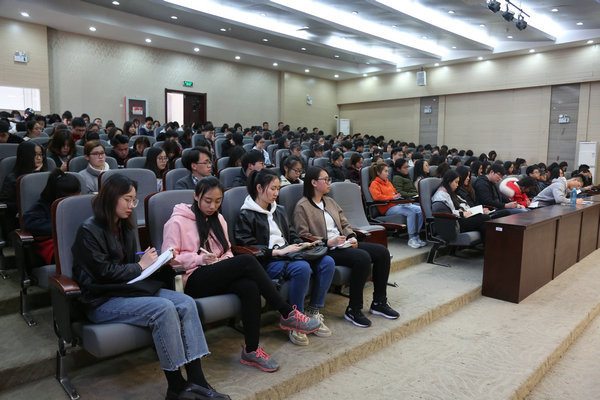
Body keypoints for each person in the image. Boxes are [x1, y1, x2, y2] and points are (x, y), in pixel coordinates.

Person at [71, 174, 229, 400]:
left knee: (186, 303)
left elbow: (129, 266)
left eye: (134, 200)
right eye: (127, 199)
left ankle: (197, 380)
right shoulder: (88, 230)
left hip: (128, 289)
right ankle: (176, 386)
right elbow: (102, 273)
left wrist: (152, 262)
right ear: (111, 198)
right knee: (164, 308)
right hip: (101, 298)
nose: (131, 206)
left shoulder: (124, 226)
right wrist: (139, 266)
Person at [162, 177, 320, 371]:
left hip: (216, 272)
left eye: (218, 201)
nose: (212, 206)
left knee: (249, 286)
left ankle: (251, 350)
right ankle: (286, 312)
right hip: (193, 278)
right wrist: (198, 259)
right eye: (208, 201)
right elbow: (169, 259)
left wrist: (224, 261)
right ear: (196, 196)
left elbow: (227, 250)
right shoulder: (177, 221)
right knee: (246, 260)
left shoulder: (219, 219)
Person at [234, 169, 335, 346]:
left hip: (290, 254)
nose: (276, 193)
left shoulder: (279, 210)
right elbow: (247, 246)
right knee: (302, 268)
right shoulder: (246, 214)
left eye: (278, 189)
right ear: (259, 188)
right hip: (268, 260)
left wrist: (301, 244)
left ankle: (312, 311)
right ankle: (295, 319)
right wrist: (277, 251)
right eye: (272, 188)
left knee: (327, 262)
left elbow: (292, 234)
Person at [294, 166, 399, 328]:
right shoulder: (303, 206)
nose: (329, 183)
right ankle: (353, 309)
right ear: (314, 183)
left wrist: (351, 236)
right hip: (325, 249)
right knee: (362, 258)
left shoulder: (330, 202)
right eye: (326, 179)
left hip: (342, 244)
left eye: (329, 179)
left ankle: (379, 302)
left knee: (382, 252)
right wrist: (327, 242)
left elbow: (344, 224)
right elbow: (303, 235)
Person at [23, 169, 80, 263]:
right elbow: (29, 223)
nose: (75, 199)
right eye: (71, 196)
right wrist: (61, 226)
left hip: (76, 240)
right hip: (53, 245)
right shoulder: (42, 206)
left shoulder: (80, 203)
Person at [369, 162, 425, 248]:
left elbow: (395, 193)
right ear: (378, 173)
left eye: (388, 171)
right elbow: (377, 197)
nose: (388, 174)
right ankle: (411, 238)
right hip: (387, 208)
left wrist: (399, 196)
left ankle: (417, 236)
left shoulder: (388, 183)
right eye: (385, 171)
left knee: (420, 210)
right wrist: (392, 197)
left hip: (397, 204)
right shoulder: (374, 184)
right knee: (411, 212)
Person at [0, 141, 49, 234]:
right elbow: (9, 206)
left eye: (40, 155)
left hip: (43, 217)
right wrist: (34, 176)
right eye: (35, 155)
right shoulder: (12, 179)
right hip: (20, 221)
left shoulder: (46, 176)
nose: (39, 158)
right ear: (26, 156)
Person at [432, 170, 492, 239]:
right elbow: (446, 213)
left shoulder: (449, 192)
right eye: (456, 182)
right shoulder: (441, 196)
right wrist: (461, 214)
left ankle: (488, 245)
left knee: (484, 225)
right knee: (485, 217)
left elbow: (454, 208)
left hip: (459, 219)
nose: (457, 185)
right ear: (449, 182)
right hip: (455, 223)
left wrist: (461, 210)